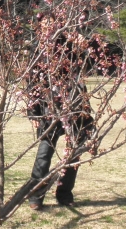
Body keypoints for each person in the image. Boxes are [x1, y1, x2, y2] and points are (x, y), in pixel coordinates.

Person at [26, 69, 94, 210]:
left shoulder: (75, 62)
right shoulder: (43, 60)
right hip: (49, 114)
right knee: (43, 155)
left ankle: (64, 194)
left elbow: (82, 91)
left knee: (73, 156)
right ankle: (35, 196)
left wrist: (86, 119)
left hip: (75, 114)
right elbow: (32, 86)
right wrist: (33, 113)